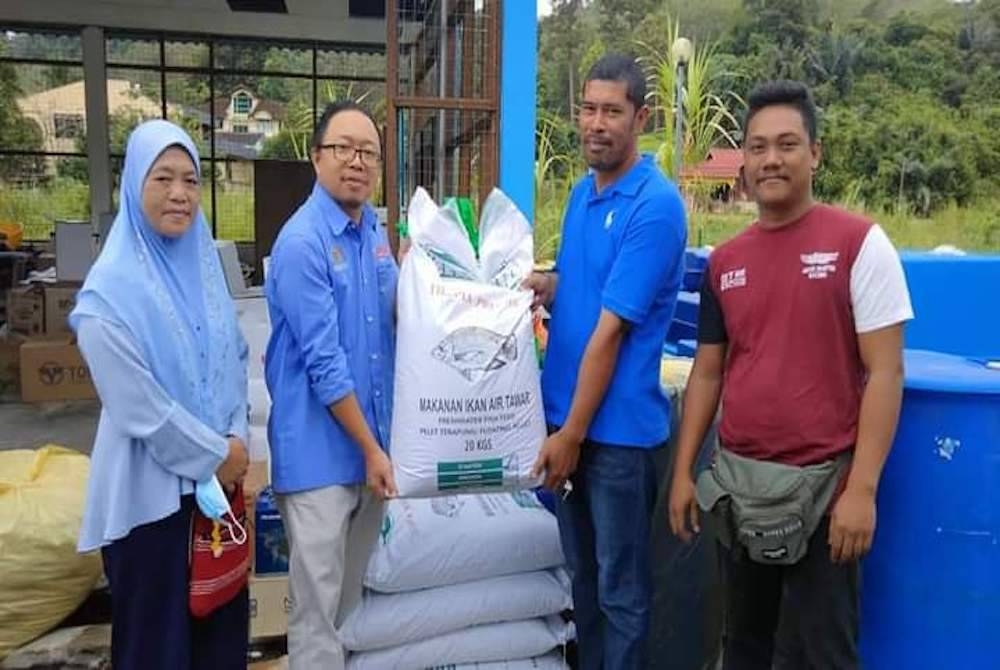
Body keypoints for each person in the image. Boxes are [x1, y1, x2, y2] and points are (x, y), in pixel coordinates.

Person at [668, 80, 914, 670]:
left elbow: (886, 372)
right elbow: (707, 375)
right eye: (757, 147)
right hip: (741, 491)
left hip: (827, 496)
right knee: (746, 647)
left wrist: (863, 490)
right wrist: (683, 473)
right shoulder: (724, 263)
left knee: (821, 654)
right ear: (744, 160)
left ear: (815, 153)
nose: (771, 159)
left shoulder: (859, 244)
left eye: (786, 144)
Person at [526, 53, 688, 669]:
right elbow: (586, 282)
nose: (596, 123)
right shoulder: (581, 192)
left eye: (612, 111)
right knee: (583, 586)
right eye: (588, 109)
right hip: (568, 425)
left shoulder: (655, 206)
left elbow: (611, 331)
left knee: (621, 592)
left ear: (640, 117)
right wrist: (551, 282)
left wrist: (571, 434)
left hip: (614, 438)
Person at [71, 119, 250, 670]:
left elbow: (237, 359)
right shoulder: (107, 297)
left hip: (216, 502)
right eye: (163, 178)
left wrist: (238, 438)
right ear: (134, 186)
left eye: (191, 180)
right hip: (150, 510)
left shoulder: (205, 270)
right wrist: (218, 457)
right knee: (157, 652)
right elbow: (139, 409)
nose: (179, 194)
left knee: (221, 645)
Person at [264, 101, 398, 669]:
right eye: (343, 148)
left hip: (369, 455)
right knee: (317, 615)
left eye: (368, 152)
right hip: (322, 457)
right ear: (316, 157)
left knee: (346, 606)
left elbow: (398, 315)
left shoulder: (373, 230)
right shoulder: (302, 242)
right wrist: (372, 449)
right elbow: (325, 363)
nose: (356, 162)